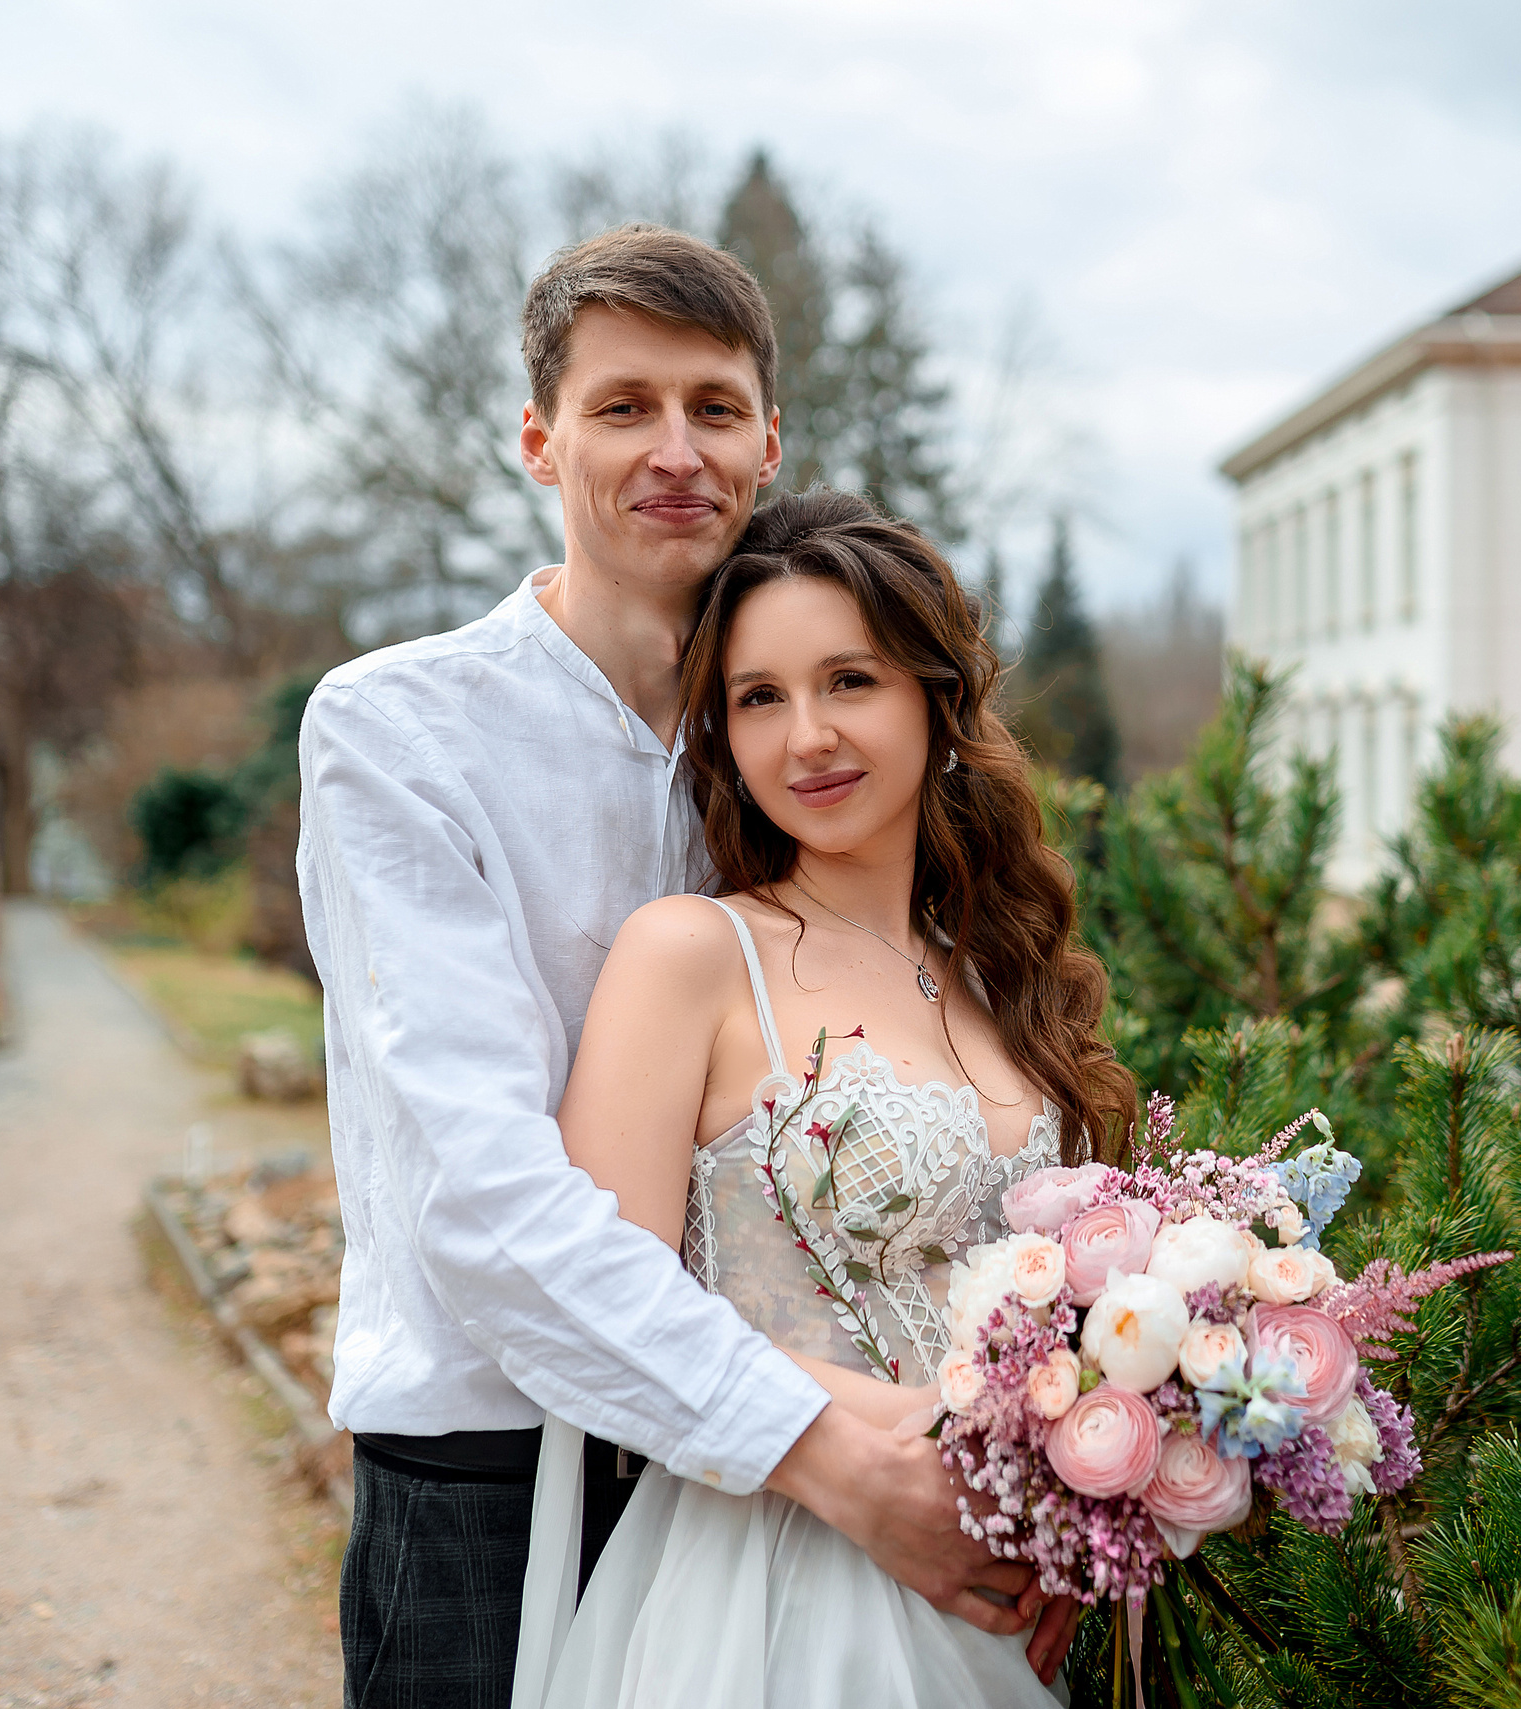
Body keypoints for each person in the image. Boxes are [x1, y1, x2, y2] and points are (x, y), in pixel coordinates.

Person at [298, 225, 1072, 1709]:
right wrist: (826, 1443)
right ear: (540, 438)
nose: (677, 450)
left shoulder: (784, 763)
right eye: (622, 406)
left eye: (714, 408)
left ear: (768, 443)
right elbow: (485, 1200)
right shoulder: (401, 735)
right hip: (492, 1472)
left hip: (813, 1500)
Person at [510, 488, 1136, 1708]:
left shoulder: (1000, 974)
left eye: (849, 680)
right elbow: (603, 1303)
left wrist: (1080, 1466)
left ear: (935, 701)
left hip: (1002, 1588)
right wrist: (958, 1439)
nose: (807, 737)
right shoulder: (690, 954)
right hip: (775, 1576)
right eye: (760, 697)